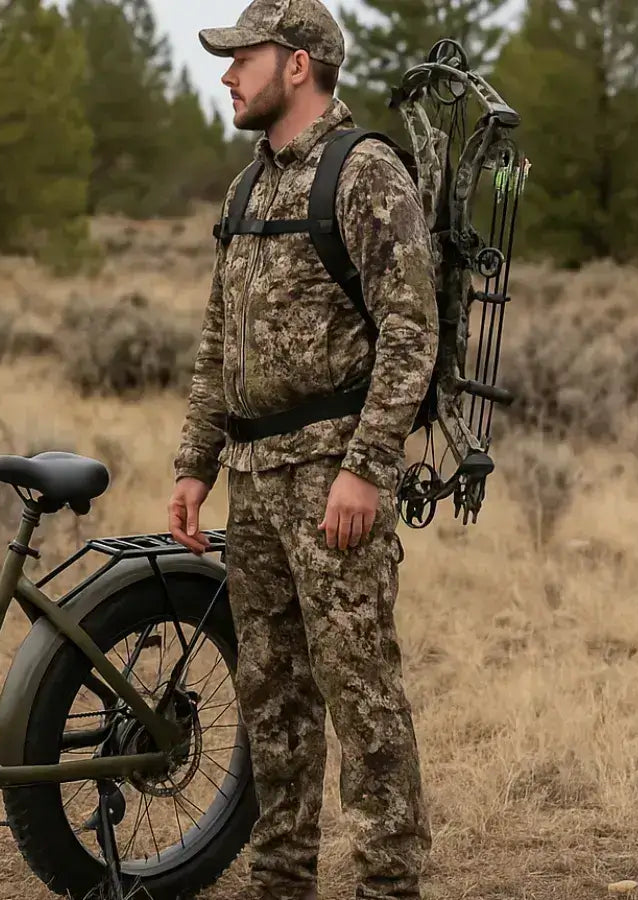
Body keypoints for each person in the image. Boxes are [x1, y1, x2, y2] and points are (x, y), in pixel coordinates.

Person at [166, 1, 439, 898]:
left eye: (242, 58)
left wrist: (365, 468)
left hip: (333, 481)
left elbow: (410, 332)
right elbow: (217, 340)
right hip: (252, 481)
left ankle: (389, 883)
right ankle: (281, 878)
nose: (227, 75)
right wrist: (193, 464)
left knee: (360, 695)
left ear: (297, 64)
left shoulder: (365, 174)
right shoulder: (246, 188)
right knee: (271, 696)